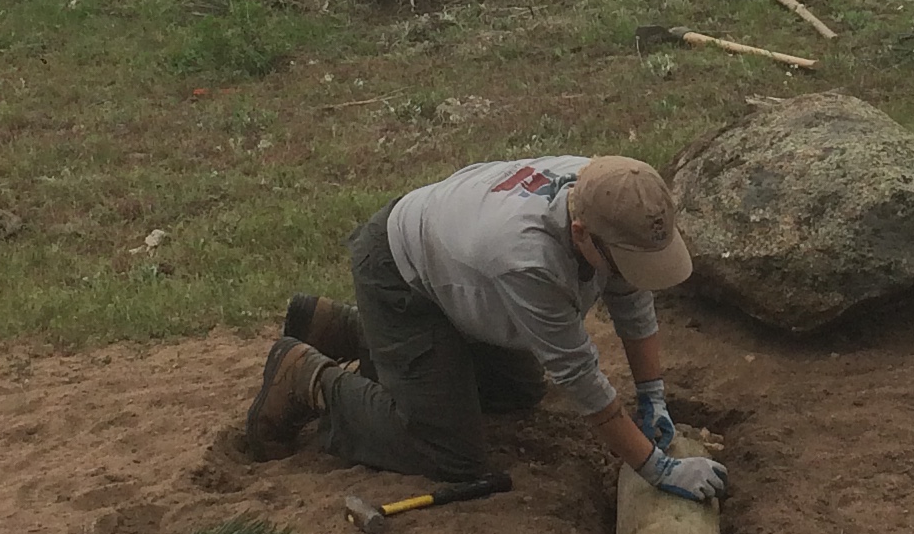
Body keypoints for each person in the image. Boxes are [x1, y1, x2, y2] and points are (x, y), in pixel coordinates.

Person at [243, 152, 728, 504]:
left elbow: (632, 298)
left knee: (516, 391)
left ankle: (343, 328)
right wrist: (655, 467)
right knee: (450, 451)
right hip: (401, 276)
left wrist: (652, 396)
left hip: (451, 267)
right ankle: (304, 375)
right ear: (581, 235)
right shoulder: (525, 257)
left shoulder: (612, 194)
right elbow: (580, 378)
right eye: (619, 263)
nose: (626, 274)